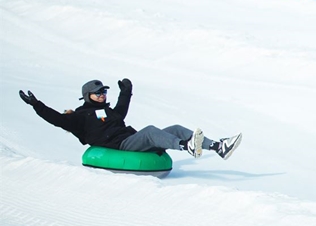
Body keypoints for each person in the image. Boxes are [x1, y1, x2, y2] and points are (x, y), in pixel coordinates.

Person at [19, 79, 241, 160]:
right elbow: (57, 119)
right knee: (151, 130)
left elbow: (121, 111)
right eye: (98, 93)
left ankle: (217, 146)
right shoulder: (80, 116)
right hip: (120, 146)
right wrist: (37, 105)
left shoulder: (107, 111)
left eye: (104, 92)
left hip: (129, 138)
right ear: (88, 96)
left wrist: (126, 91)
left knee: (174, 127)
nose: (103, 95)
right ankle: (186, 146)